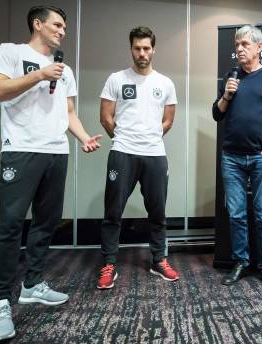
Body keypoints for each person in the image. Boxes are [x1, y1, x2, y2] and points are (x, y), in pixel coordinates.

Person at [0, 5, 101, 342]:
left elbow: (68, 111)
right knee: (9, 225)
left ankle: (32, 283)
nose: (63, 31)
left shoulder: (64, 70)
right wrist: (39, 75)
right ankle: (1, 301)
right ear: (37, 24)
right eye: (57, 25)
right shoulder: (10, 53)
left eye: (64, 27)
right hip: (20, 149)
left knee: (47, 223)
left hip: (56, 152)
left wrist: (82, 137)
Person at [97, 26, 178, 289]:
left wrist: (151, 136)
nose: (142, 53)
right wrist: (123, 138)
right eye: (137, 48)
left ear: (153, 49)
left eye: (146, 48)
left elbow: (168, 121)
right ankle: (109, 263)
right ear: (131, 49)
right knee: (113, 212)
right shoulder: (116, 79)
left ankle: (159, 260)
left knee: (158, 212)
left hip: (155, 155)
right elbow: (106, 117)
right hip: (122, 153)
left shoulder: (165, 83)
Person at [212, 25, 262, 291]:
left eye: (245, 44)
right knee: (236, 214)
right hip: (232, 157)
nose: (240, 49)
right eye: (237, 45)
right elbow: (217, 114)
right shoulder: (230, 77)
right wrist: (226, 94)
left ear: (259, 47)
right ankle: (241, 262)